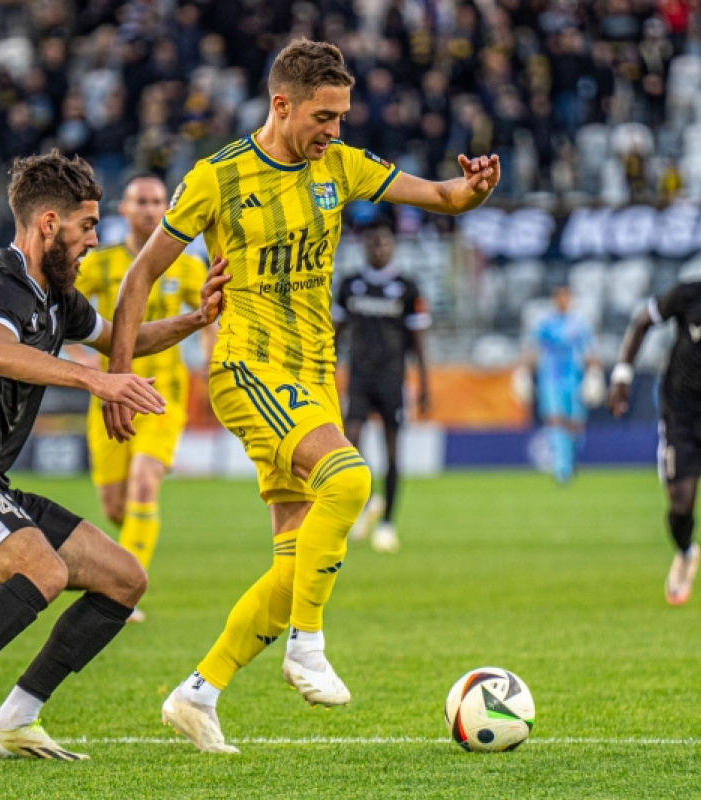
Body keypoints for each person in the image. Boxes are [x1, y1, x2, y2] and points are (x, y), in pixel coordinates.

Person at [104, 38, 500, 754]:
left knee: (295, 563)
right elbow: (139, 279)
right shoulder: (216, 178)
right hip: (248, 369)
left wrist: (471, 190)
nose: (335, 131)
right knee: (350, 478)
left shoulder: (339, 168)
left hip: (315, 374)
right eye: (324, 116)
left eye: (342, 116)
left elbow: (442, 195)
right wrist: (118, 375)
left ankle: (199, 692)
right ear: (281, 104)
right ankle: (306, 646)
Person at [0, 151, 228, 774]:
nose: (94, 240)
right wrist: (96, 383)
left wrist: (195, 318)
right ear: (49, 224)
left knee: (124, 578)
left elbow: (117, 339)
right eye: (87, 226)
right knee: (44, 571)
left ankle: (16, 720)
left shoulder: (57, 297)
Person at [70, 174, 209, 624]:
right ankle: (126, 561)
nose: (150, 209)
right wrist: (82, 362)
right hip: (109, 397)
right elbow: (60, 314)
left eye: (157, 202)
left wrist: (213, 361)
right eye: (140, 202)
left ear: (167, 210)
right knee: (115, 505)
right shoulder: (99, 264)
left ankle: (121, 593)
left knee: (146, 484)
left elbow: (212, 317)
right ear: (124, 211)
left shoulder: (187, 266)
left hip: (162, 396)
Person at [333, 219, 431, 553]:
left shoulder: (407, 287)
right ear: (364, 246)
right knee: (350, 444)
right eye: (373, 242)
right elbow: (336, 333)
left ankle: (388, 523)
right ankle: (366, 499)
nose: (379, 247)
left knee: (392, 453)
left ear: (393, 246)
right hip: (359, 377)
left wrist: (425, 385)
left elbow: (418, 341)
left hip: (393, 378)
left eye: (384, 242)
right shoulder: (349, 285)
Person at [608, 279, 701, 606]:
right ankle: (686, 552)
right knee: (681, 501)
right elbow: (643, 322)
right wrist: (622, 376)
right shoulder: (689, 294)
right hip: (682, 414)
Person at [513, 285, 605, 484]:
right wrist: (523, 372)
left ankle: (570, 460)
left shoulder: (579, 325)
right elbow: (531, 349)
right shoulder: (545, 324)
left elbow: (591, 352)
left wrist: (595, 372)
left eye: (567, 297)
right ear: (554, 300)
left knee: (575, 425)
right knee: (555, 420)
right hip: (551, 379)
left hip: (574, 379)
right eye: (560, 297)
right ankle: (562, 469)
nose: (563, 301)